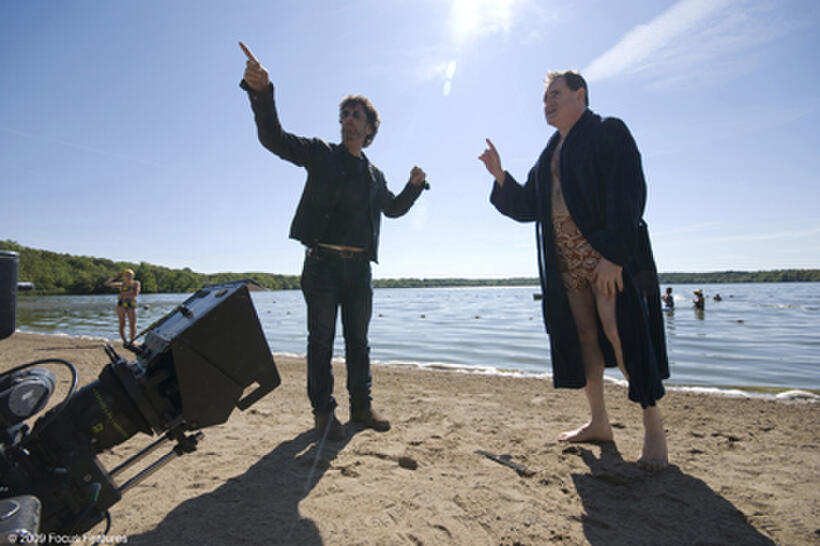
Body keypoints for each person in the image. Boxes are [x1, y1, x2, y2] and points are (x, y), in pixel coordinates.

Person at [479, 70, 670, 469]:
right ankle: (599, 421)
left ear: (580, 94)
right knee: (585, 337)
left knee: (621, 334)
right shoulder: (550, 150)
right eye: (544, 98)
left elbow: (630, 190)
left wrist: (615, 255)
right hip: (566, 265)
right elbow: (529, 206)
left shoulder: (608, 131)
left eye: (555, 94)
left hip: (606, 259)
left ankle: (653, 429)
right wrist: (500, 176)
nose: (547, 103)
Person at [239, 42, 427, 441]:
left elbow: (392, 210)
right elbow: (274, 138)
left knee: (359, 342)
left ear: (371, 127)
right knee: (320, 341)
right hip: (321, 265)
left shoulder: (375, 176)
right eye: (344, 113)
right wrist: (262, 93)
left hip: (360, 270)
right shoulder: (321, 154)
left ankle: (361, 407)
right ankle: (324, 413)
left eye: (357, 114)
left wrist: (414, 188)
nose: (348, 118)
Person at [104, 269, 141, 345]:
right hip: (121, 304)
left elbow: (135, 294)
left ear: (133, 276)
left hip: (131, 304)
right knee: (122, 323)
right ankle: (124, 341)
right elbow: (107, 284)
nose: (128, 277)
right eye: (126, 275)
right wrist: (115, 276)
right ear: (123, 277)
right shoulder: (121, 284)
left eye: (130, 275)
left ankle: (132, 340)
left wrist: (123, 295)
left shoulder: (136, 283)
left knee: (132, 323)